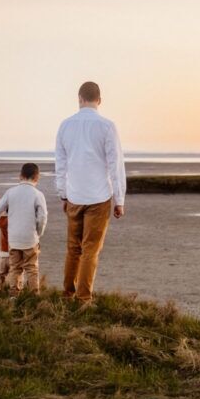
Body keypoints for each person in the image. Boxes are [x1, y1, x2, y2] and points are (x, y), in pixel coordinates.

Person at [54, 81, 126, 304]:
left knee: (73, 248)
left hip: (74, 195)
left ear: (79, 98)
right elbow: (115, 165)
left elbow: (61, 164)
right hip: (99, 196)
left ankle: (68, 294)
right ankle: (83, 298)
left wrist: (63, 194)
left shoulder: (65, 125)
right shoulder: (106, 126)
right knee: (90, 250)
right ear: (100, 100)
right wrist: (119, 199)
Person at [0, 163, 48, 294]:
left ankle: (14, 294)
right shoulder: (38, 194)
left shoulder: (10, 192)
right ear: (37, 177)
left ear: (20, 176)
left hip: (13, 240)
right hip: (30, 239)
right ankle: (33, 295)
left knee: (15, 268)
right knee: (32, 268)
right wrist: (39, 233)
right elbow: (42, 217)